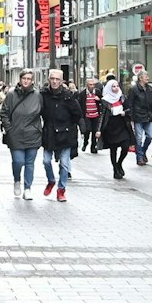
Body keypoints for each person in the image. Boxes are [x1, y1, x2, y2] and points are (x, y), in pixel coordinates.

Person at [38, 68, 84, 202]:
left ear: (62, 81)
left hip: (65, 133)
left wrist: (76, 127)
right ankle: (51, 181)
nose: (54, 81)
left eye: (57, 79)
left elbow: (77, 114)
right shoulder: (43, 94)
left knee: (64, 164)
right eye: (52, 78)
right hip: (49, 132)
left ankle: (61, 189)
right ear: (49, 80)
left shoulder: (68, 96)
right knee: (46, 161)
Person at [0, 70, 44, 200]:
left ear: (32, 81)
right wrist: (9, 129)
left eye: (29, 79)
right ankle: (17, 180)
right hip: (16, 134)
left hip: (33, 134)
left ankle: (28, 188)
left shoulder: (37, 95)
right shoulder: (11, 94)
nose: (26, 81)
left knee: (30, 163)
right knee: (18, 161)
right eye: (24, 78)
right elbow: (4, 112)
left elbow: (43, 112)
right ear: (20, 79)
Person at [99, 75, 136, 180]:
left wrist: (125, 112)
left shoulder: (122, 97)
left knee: (125, 146)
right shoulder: (105, 101)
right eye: (113, 86)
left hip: (122, 125)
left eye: (117, 86)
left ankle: (119, 163)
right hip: (110, 127)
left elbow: (129, 109)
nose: (116, 88)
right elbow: (102, 115)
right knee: (113, 149)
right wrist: (98, 130)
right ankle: (115, 169)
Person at [127, 70, 152, 166]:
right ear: (141, 78)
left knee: (150, 136)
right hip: (138, 117)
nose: (148, 78)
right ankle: (139, 157)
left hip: (148, 116)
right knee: (139, 138)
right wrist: (131, 117)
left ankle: (143, 151)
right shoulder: (134, 89)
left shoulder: (149, 89)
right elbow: (130, 103)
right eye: (146, 76)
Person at [81, 79, 102, 154]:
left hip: (96, 115)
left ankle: (93, 147)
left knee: (94, 131)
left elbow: (102, 101)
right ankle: (85, 142)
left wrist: (99, 100)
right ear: (87, 85)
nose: (92, 86)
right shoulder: (83, 93)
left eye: (93, 85)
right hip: (87, 115)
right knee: (87, 130)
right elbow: (81, 104)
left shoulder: (97, 92)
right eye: (90, 84)